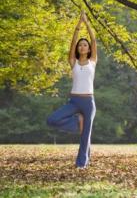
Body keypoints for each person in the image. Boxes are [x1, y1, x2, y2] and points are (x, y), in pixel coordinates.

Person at [46, 10, 97, 169]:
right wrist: (78, 26)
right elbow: (73, 42)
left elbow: (94, 40)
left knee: (85, 136)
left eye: (85, 45)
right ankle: (77, 122)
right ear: (78, 48)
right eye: (80, 45)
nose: (82, 46)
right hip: (74, 101)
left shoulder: (93, 62)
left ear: (89, 49)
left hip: (88, 101)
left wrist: (87, 24)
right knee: (52, 119)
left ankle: (81, 164)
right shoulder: (73, 61)